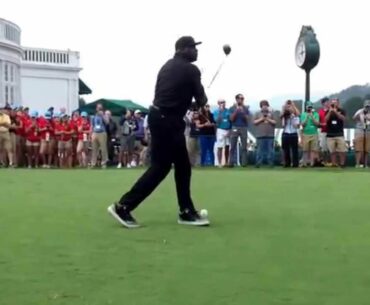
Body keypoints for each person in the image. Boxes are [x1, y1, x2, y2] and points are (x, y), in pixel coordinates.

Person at [108, 36, 209, 228]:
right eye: (193, 48)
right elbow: (202, 100)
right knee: (161, 168)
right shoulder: (192, 70)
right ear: (183, 49)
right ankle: (123, 206)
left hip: (159, 118)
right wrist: (199, 94)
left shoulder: (167, 66)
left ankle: (186, 210)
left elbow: (175, 95)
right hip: (167, 122)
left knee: (182, 166)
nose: (196, 51)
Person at [326, 98, 346, 167]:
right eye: (332, 103)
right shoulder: (328, 111)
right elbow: (326, 120)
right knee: (332, 151)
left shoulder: (342, 110)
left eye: (335, 102)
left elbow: (343, 118)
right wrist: (330, 112)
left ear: (338, 103)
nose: (334, 104)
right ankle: (334, 164)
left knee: (342, 150)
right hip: (330, 134)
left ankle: (342, 163)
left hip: (339, 134)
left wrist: (336, 112)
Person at [280, 100, 300, 167]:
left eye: (290, 107)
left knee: (295, 149)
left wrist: (293, 118)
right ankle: (287, 163)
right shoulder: (284, 117)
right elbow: (283, 125)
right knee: (286, 149)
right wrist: (286, 117)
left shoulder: (295, 116)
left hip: (293, 133)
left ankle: (295, 163)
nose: (289, 109)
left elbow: (297, 126)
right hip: (286, 133)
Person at [353, 100, 370, 168]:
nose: (367, 108)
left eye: (369, 106)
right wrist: (359, 115)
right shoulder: (360, 111)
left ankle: (366, 165)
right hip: (359, 130)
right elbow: (354, 118)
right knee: (358, 148)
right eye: (366, 106)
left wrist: (367, 118)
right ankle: (357, 164)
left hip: (368, 130)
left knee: (367, 149)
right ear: (364, 106)